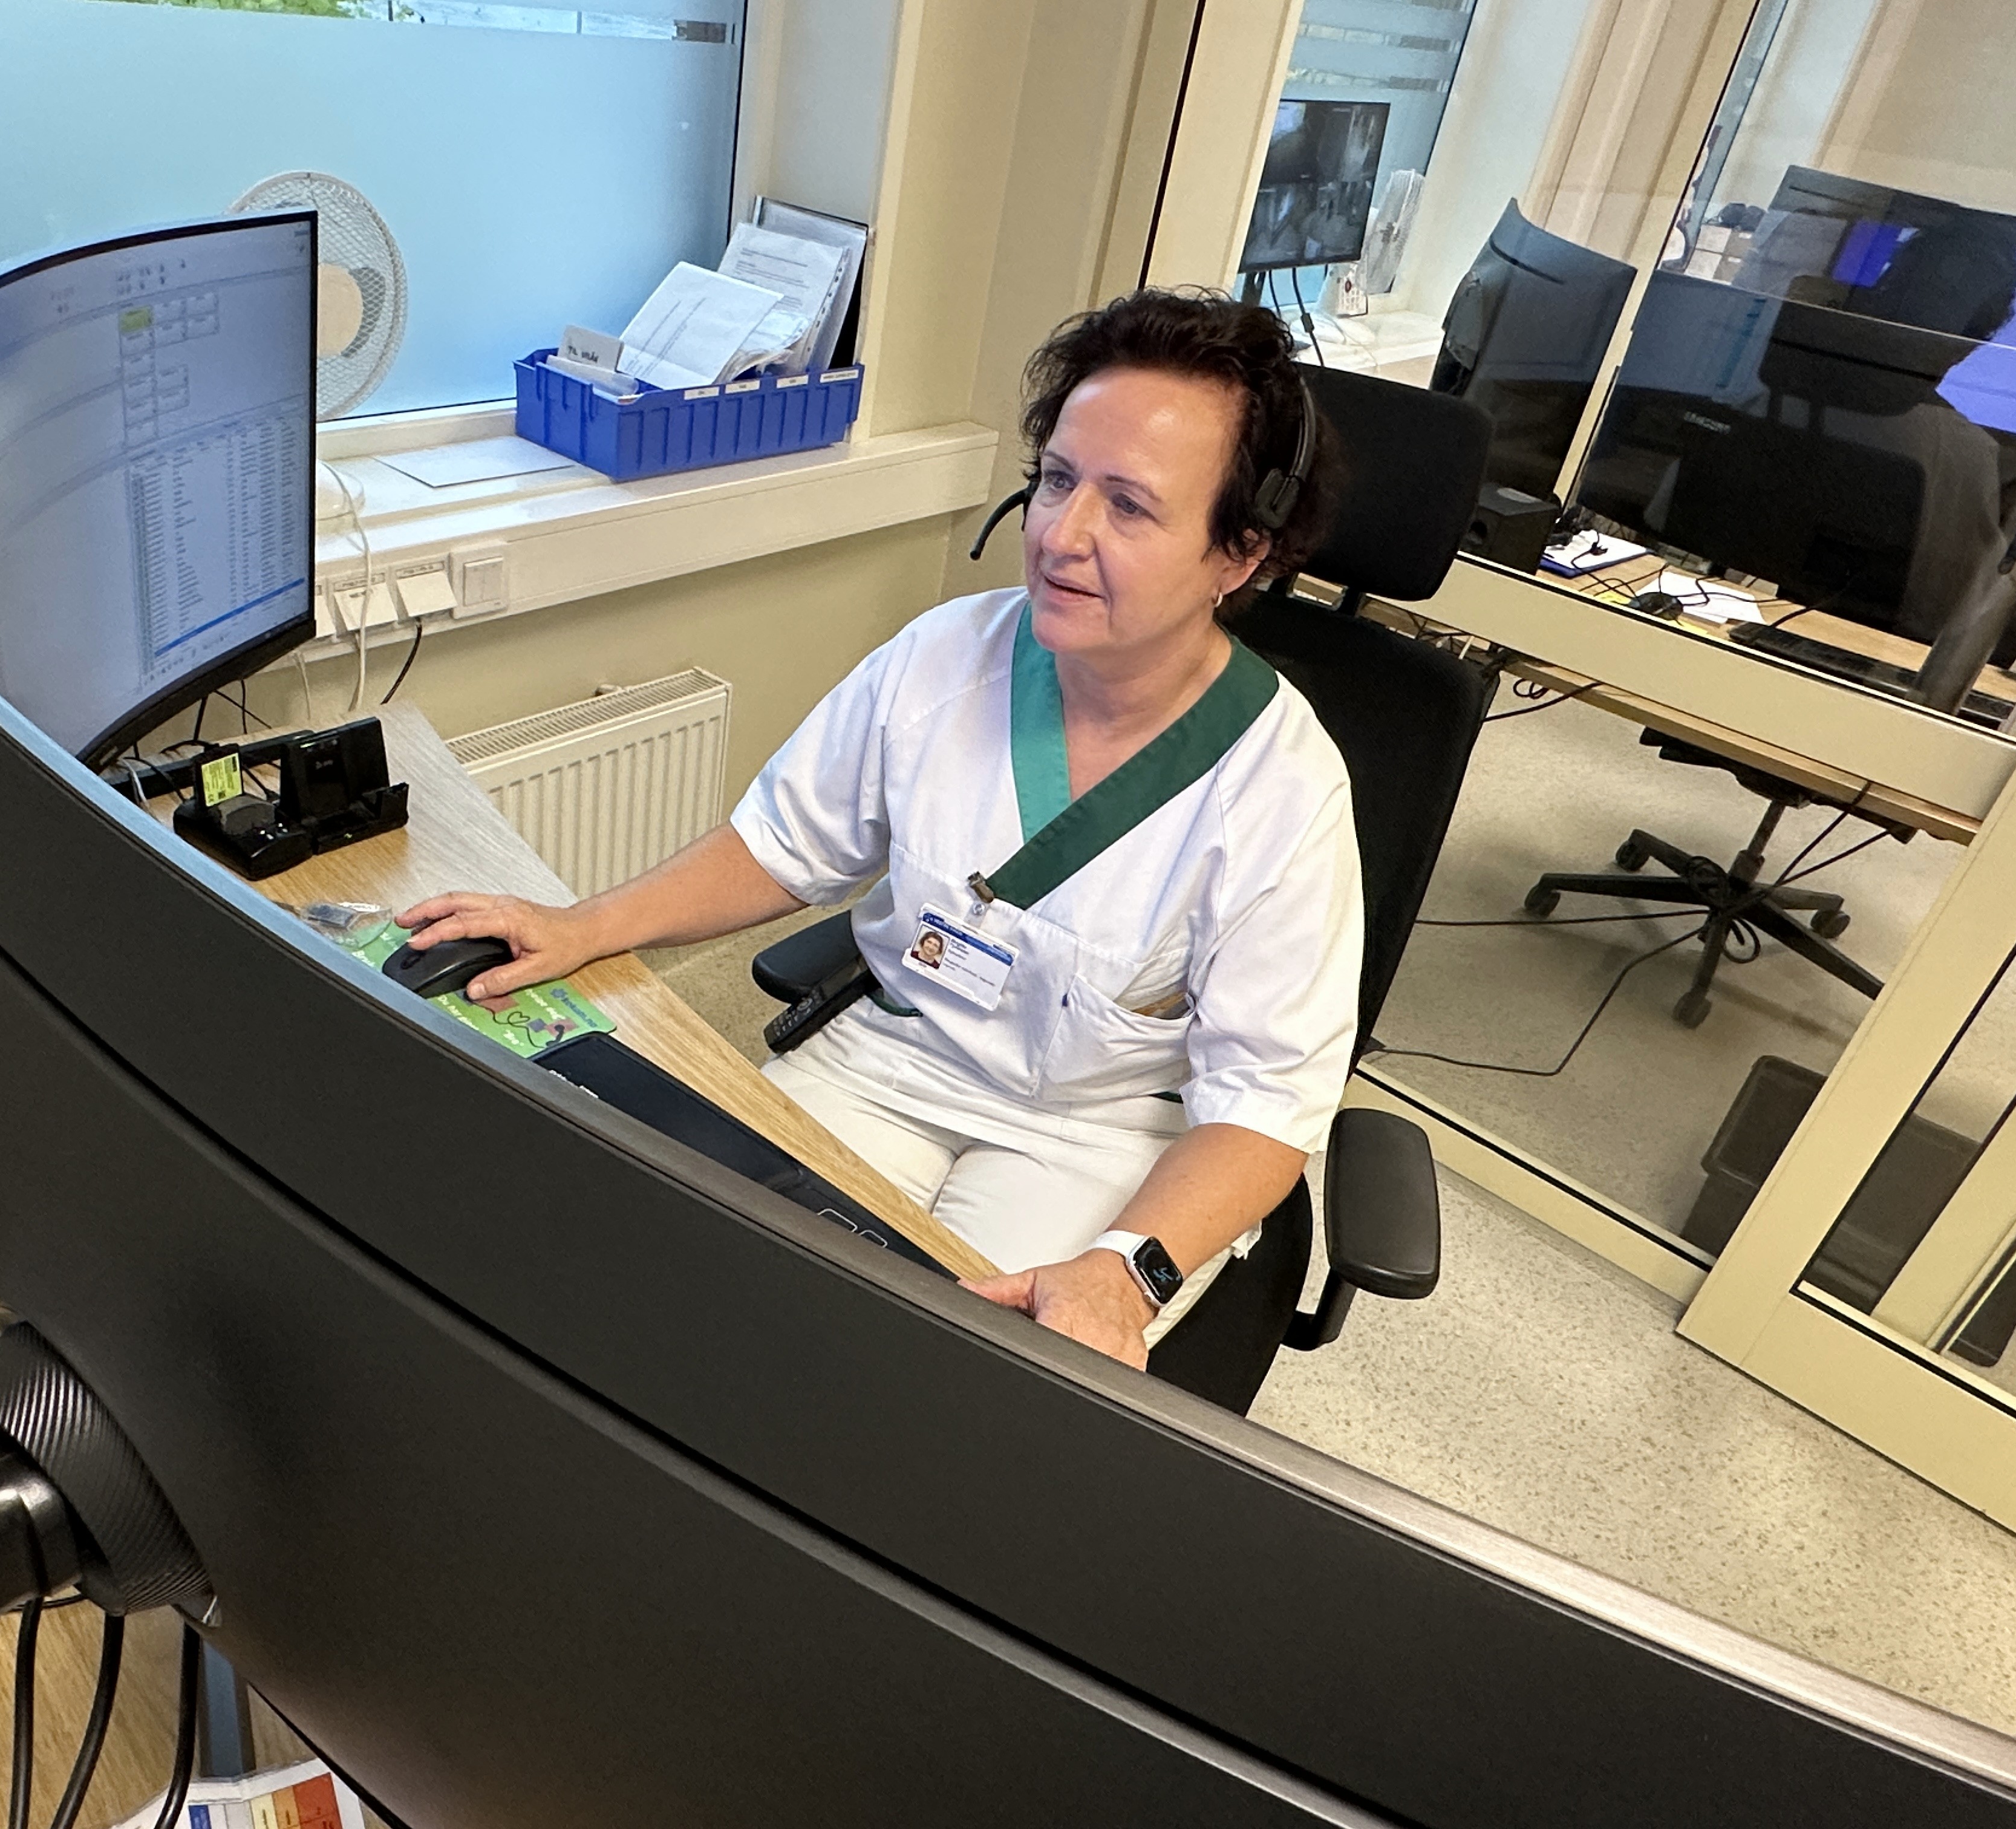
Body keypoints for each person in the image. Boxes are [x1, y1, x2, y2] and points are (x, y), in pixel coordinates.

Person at [398, 290, 1363, 1372]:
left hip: (1099, 1134)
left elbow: (1268, 1102)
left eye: (1130, 507)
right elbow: (784, 843)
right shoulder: (946, 656)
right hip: (892, 1056)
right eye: (1057, 480)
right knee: (684, 1278)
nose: (1062, 535)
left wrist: (1124, 1272)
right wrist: (584, 925)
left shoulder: (1284, 790)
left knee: (939, 1387)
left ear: (1239, 555)